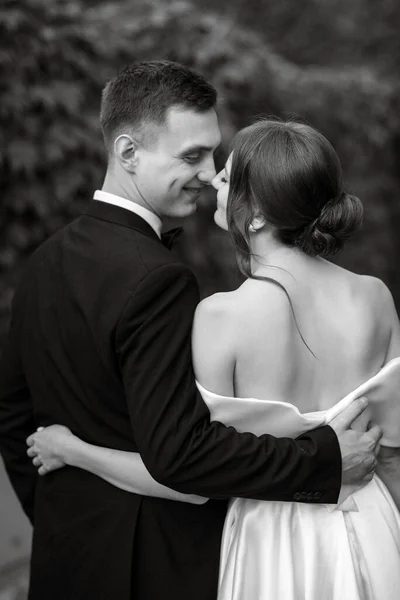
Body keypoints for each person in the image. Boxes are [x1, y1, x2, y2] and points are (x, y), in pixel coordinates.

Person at [0, 61, 380, 600]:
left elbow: (13, 416)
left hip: (65, 560)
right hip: (155, 565)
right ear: (128, 152)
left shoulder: (41, 262)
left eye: (213, 153)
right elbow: (182, 453)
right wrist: (323, 457)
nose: (209, 173)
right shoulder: (159, 278)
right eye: (192, 155)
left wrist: (66, 513)